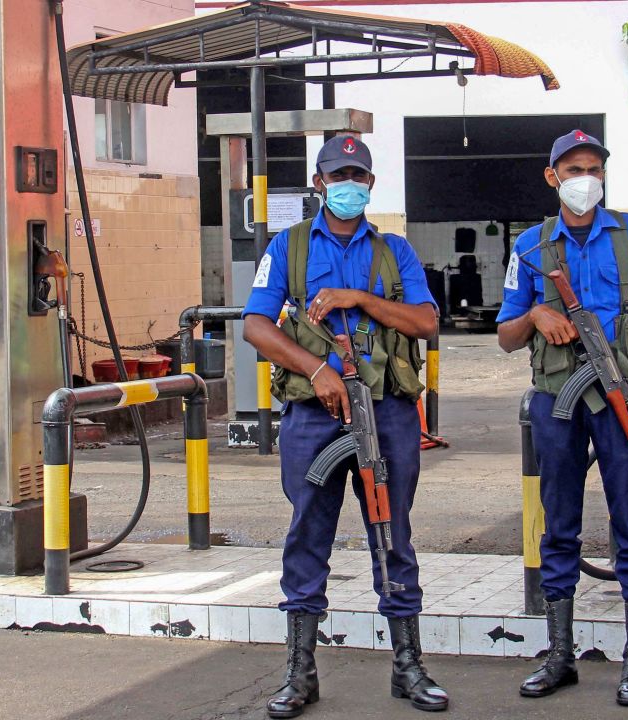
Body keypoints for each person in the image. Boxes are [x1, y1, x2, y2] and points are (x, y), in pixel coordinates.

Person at [242, 135, 448, 718]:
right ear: (319, 182)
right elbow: (256, 326)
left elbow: (427, 323)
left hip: (386, 409)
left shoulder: (393, 252)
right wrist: (315, 369)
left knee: (392, 532)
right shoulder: (289, 247)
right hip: (314, 413)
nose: (349, 184)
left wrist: (360, 296)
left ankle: (408, 667)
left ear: (371, 184)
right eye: (339, 175)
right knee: (308, 535)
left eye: (359, 174)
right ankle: (299, 672)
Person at [496, 130, 628, 707]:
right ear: (552, 177)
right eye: (573, 169)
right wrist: (538, 312)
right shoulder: (530, 245)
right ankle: (558, 655)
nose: (585, 179)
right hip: (558, 395)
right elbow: (504, 335)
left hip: (624, 391)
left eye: (594, 168)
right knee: (559, 520)